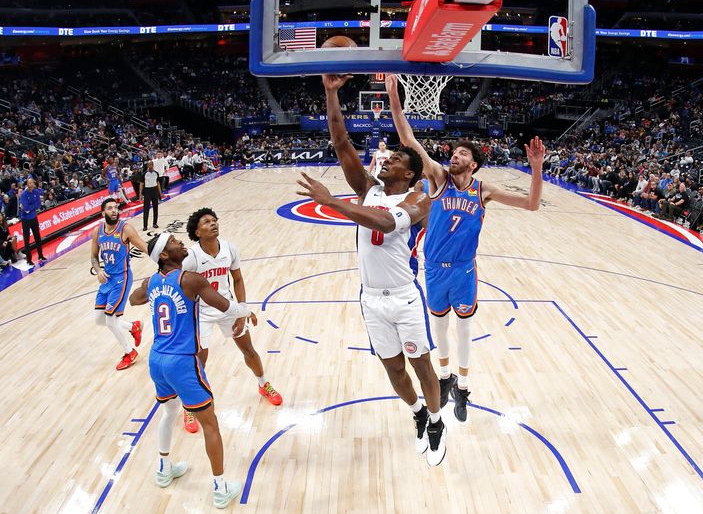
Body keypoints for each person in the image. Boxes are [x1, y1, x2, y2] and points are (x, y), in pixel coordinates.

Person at [297, 74, 445, 466]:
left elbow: (381, 224)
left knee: (421, 365)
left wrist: (332, 202)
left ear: (409, 172)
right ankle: (416, 411)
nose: (386, 160)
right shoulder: (369, 188)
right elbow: (340, 141)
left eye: (394, 159)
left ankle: (434, 420)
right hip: (371, 299)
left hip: (404, 298)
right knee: (394, 369)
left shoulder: (420, 199)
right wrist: (330, 93)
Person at [386, 73, 545, 423]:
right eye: (453, 152)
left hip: (463, 270)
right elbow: (408, 138)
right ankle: (445, 379)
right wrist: (395, 99)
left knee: (464, 329)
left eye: (460, 154)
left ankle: (465, 388)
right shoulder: (437, 179)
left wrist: (536, 168)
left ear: (472, 164)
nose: (453, 156)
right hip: (434, 267)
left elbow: (532, 204)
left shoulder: (483, 190)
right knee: (439, 328)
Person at [129, 233, 252, 508]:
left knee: (169, 411)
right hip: (182, 360)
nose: (181, 243)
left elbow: (134, 300)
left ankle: (163, 468)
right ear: (163, 255)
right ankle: (220, 488)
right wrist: (246, 310)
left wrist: (150, 283)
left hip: (157, 359)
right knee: (210, 422)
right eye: (174, 242)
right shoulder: (190, 280)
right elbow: (225, 305)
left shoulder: (152, 282)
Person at [180, 207, 283, 434]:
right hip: (202, 313)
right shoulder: (191, 257)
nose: (213, 224)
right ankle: (189, 405)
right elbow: (183, 290)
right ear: (197, 232)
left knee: (249, 350)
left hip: (227, 307)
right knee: (199, 362)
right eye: (206, 222)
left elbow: (237, 279)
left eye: (214, 220)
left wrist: (241, 310)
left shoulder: (229, 248)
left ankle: (263, 383)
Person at [91, 198, 148, 370]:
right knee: (99, 320)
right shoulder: (97, 231)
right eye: (110, 208)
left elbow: (145, 247)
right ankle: (133, 327)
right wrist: (99, 270)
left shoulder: (125, 229)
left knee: (110, 319)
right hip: (107, 279)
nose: (114, 210)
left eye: (116, 207)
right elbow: (94, 257)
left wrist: (163, 260)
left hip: (121, 279)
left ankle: (130, 352)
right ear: (103, 213)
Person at [18, 178, 46, 265]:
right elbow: (26, 208)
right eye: (29, 183)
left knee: (37, 237)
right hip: (25, 219)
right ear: (27, 184)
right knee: (27, 240)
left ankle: (40, 255)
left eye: (32, 183)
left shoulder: (36, 192)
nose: (31, 185)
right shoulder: (23, 195)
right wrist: (32, 207)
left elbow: (39, 205)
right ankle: (29, 260)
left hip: (34, 217)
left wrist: (31, 207)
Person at [140, 161, 161, 231]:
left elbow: (158, 183)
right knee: (146, 209)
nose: (150, 166)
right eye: (149, 165)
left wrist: (160, 192)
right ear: (147, 165)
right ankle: (145, 226)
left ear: (153, 165)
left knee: (156, 208)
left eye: (151, 164)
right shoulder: (144, 174)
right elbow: (141, 184)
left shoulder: (156, 173)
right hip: (147, 191)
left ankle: (155, 223)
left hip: (155, 191)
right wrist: (140, 194)